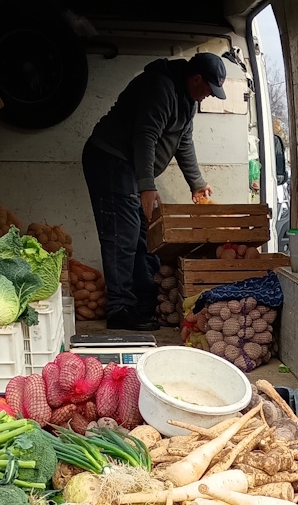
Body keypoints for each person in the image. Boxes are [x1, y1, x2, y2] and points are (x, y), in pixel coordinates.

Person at [81, 51, 227, 330]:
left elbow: (184, 141)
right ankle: (120, 308)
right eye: (209, 88)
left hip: (130, 168)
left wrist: (196, 183)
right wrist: (147, 186)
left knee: (142, 236)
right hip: (111, 159)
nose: (209, 95)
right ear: (196, 79)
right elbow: (145, 136)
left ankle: (143, 303)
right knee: (122, 234)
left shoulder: (188, 100)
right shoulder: (159, 88)